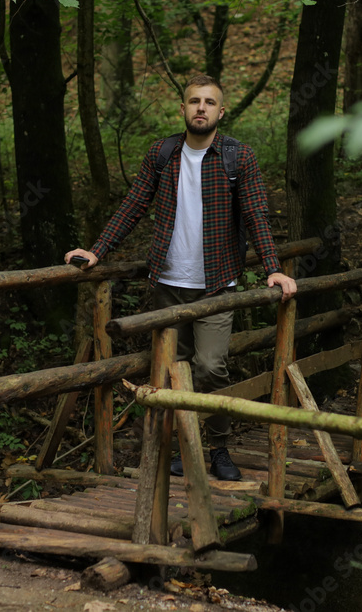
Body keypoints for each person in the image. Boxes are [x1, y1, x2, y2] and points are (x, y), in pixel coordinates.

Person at [65, 74, 296, 481]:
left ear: (221, 112)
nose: (201, 108)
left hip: (216, 284)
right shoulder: (163, 153)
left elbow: (256, 214)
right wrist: (97, 250)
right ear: (184, 109)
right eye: (194, 101)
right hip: (168, 284)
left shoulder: (237, 157)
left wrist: (272, 267)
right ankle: (181, 448)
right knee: (174, 369)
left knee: (210, 366)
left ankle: (219, 447)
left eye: (209, 102)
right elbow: (134, 204)